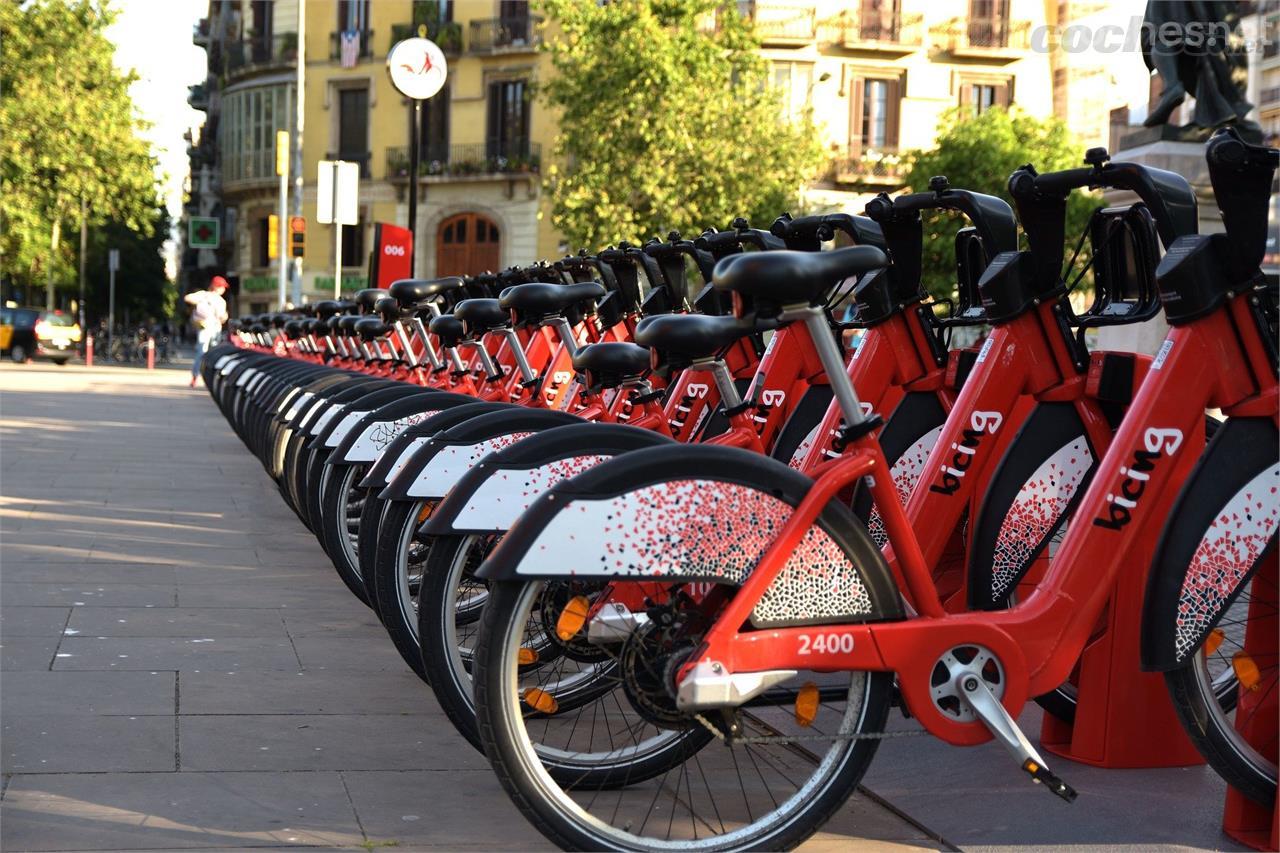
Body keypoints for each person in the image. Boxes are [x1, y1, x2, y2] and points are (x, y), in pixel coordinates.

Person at [185, 276, 229, 387]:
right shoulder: (213, 298)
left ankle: (198, 377)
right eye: (222, 287)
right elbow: (222, 318)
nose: (224, 289)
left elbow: (188, 298)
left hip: (207, 328)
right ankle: (206, 377)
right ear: (216, 286)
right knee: (209, 352)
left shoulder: (207, 296)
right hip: (210, 328)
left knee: (202, 352)